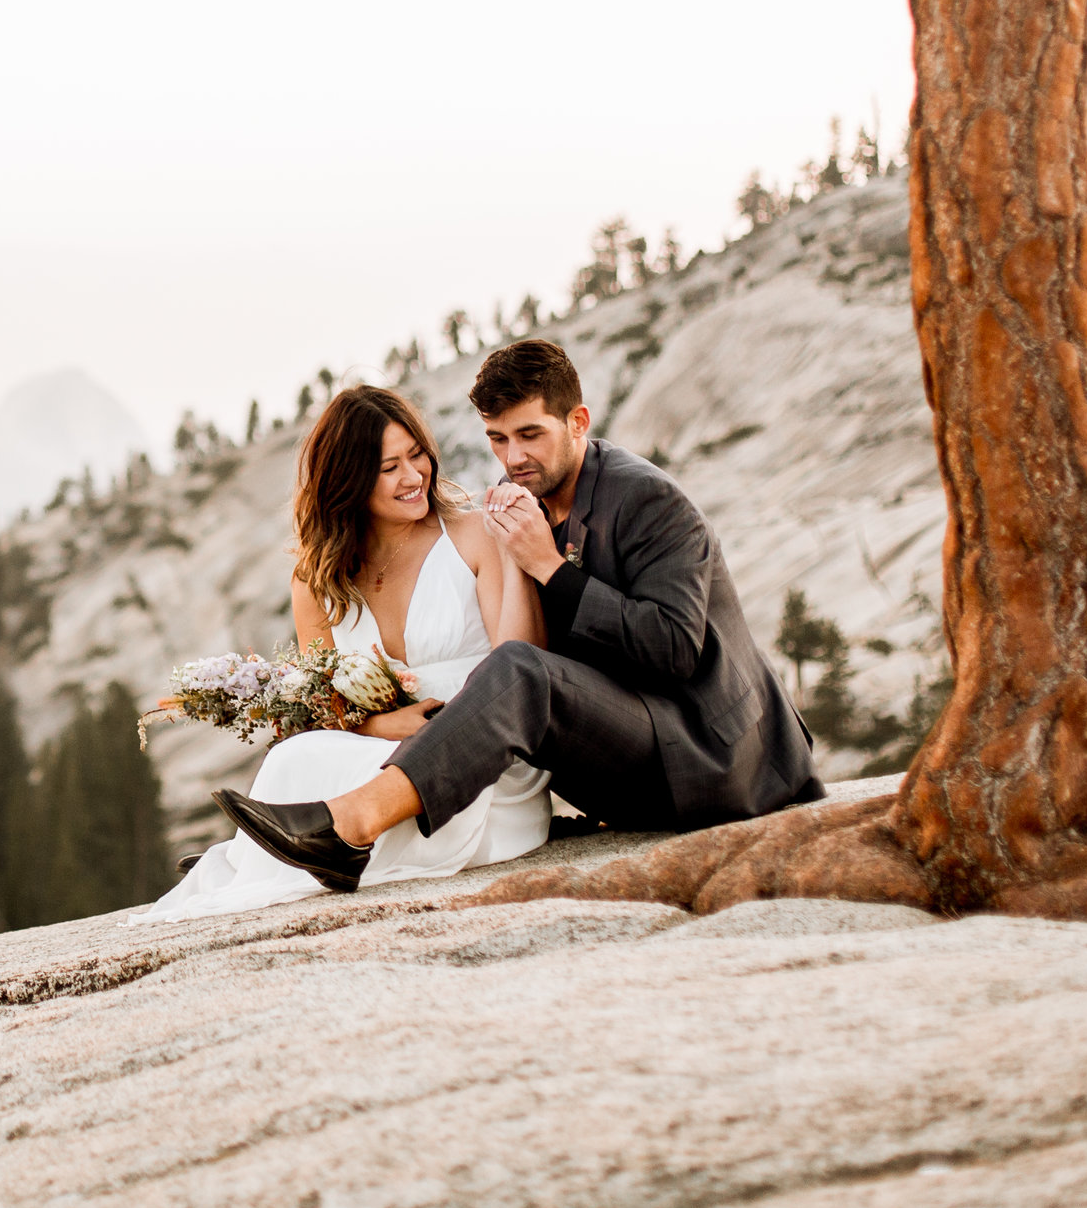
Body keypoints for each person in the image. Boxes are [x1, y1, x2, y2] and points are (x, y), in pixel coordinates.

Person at [217, 338, 824, 894]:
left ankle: (352, 825)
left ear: (577, 421)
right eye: (498, 439)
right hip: (612, 763)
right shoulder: (522, 508)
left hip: (708, 755)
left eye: (530, 435)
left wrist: (551, 571)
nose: (515, 457)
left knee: (519, 670)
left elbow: (673, 651)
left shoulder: (646, 500)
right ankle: (266, 853)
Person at [134, 384, 552, 922]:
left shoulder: (471, 534)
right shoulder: (318, 578)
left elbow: (523, 664)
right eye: (389, 467)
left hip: (481, 761)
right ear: (350, 480)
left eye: (417, 455)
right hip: (383, 745)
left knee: (304, 764)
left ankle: (258, 861)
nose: (413, 476)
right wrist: (382, 725)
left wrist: (513, 552)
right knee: (294, 755)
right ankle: (265, 859)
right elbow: (318, 709)